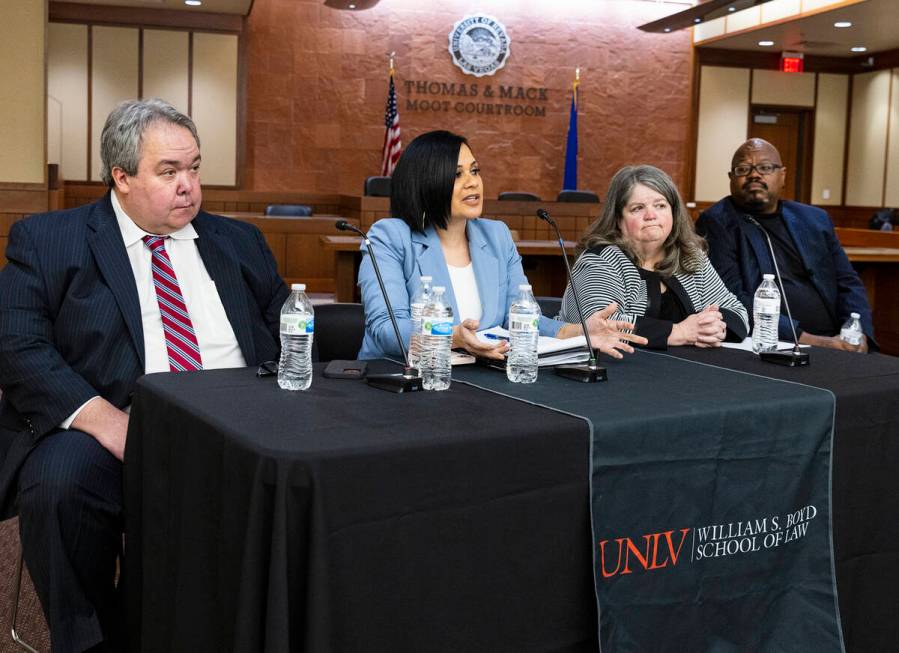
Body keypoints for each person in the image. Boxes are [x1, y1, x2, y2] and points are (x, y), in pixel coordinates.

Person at [0, 98, 288, 652]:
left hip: (239, 424)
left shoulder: (239, 242)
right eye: (169, 171)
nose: (189, 186)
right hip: (117, 425)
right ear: (122, 176)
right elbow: (16, 344)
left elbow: (287, 323)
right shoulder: (50, 240)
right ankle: (91, 639)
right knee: (59, 485)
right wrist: (104, 421)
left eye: (195, 168)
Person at [357, 130, 646, 360]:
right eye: (457, 175)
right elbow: (387, 329)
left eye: (475, 170)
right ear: (426, 183)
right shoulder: (389, 238)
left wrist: (577, 331)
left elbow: (519, 316)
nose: (473, 183)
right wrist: (452, 336)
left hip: (479, 379)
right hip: (401, 379)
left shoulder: (496, 236)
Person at [696, 138, 875, 352]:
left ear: (782, 175)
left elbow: (847, 281)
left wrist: (858, 332)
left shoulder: (815, 219)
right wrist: (811, 340)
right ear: (731, 178)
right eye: (743, 169)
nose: (755, 174)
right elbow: (731, 297)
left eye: (765, 167)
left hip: (836, 339)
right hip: (776, 344)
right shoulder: (717, 222)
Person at [559, 165, 748, 349]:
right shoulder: (600, 259)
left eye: (660, 205)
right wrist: (680, 332)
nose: (651, 215)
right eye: (637, 208)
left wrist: (714, 327)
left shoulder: (689, 256)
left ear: (673, 213)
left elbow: (738, 312)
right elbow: (598, 325)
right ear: (618, 219)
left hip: (687, 372)